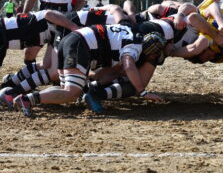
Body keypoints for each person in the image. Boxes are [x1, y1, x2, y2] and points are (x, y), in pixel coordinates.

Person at [11, 24, 165, 117]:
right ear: (151, 50)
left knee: (67, 89)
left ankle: (27, 97)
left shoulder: (130, 34)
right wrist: (143, 92)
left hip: (72, 40)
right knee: (71, 93)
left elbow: (111, 71)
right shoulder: (135, 45)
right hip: (80, 45)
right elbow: (128, 64)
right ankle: (27, 99)